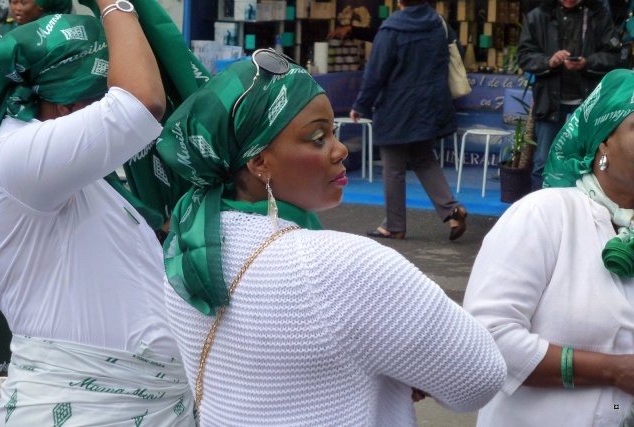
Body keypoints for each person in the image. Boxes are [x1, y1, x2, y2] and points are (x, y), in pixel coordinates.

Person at [156, 50, 507, 426]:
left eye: (334, 133)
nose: (340, 151)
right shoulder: (340, 267)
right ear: (258, 161)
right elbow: (479, 378)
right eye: (317, 137)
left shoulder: (184, 250)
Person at [0, 10, 195, 426]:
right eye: (101, 95)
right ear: (67, 104)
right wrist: (115, 4)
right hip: (79, 409)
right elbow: (141, 104)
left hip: (142, 405)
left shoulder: (82, 179)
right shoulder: (16, 157)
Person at [463, 68, 634, 426]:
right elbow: (487, 337)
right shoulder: (545, 214)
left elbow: (621, 403)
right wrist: (611, 371)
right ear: (602, 141)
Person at [349, 0, 467, 241]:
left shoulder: (392, 28)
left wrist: (361, 104)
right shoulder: (438, 23)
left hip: (397, 106)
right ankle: (451, 209)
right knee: (424, 158)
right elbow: (457, 53)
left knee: (393, 167)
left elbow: (376, 71)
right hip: (430, 104)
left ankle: (394, 225)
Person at [517, 0, 622, 191]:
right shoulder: (539, 15)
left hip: (588, 103)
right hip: (550, 102)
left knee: (589, 164)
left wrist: (587, 63)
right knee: (543, 163)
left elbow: (615, 57)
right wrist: (549, 61)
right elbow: (524, 56)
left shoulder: (598, 14)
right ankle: (540, 215)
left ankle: (582, 214)